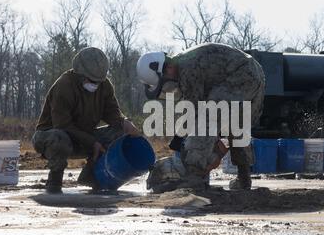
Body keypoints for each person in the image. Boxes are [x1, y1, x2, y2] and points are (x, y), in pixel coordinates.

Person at [136, 43, 265, 192]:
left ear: (168, 68)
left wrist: (180, 140)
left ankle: (194, 177)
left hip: (242, 75)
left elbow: (194, 110)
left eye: (165, 84)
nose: (169, 88)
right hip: (254, 74)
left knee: (208, 118)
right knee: (236, 126)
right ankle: (244, 179)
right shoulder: (184, 63)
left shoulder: (187, 68)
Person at [32, 47, 140, 194]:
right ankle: (54, 182)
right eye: (91, 80)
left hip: (84, 137)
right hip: (50, 137)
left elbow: (112, 113)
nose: (95, 84)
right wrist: (92, 142)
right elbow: (62, 125)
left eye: (98, 81)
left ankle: (93, 176)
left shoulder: (105, 86)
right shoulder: (64, 85)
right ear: (79, 74)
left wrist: (124, 122)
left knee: (120, 132)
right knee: (59, 137)